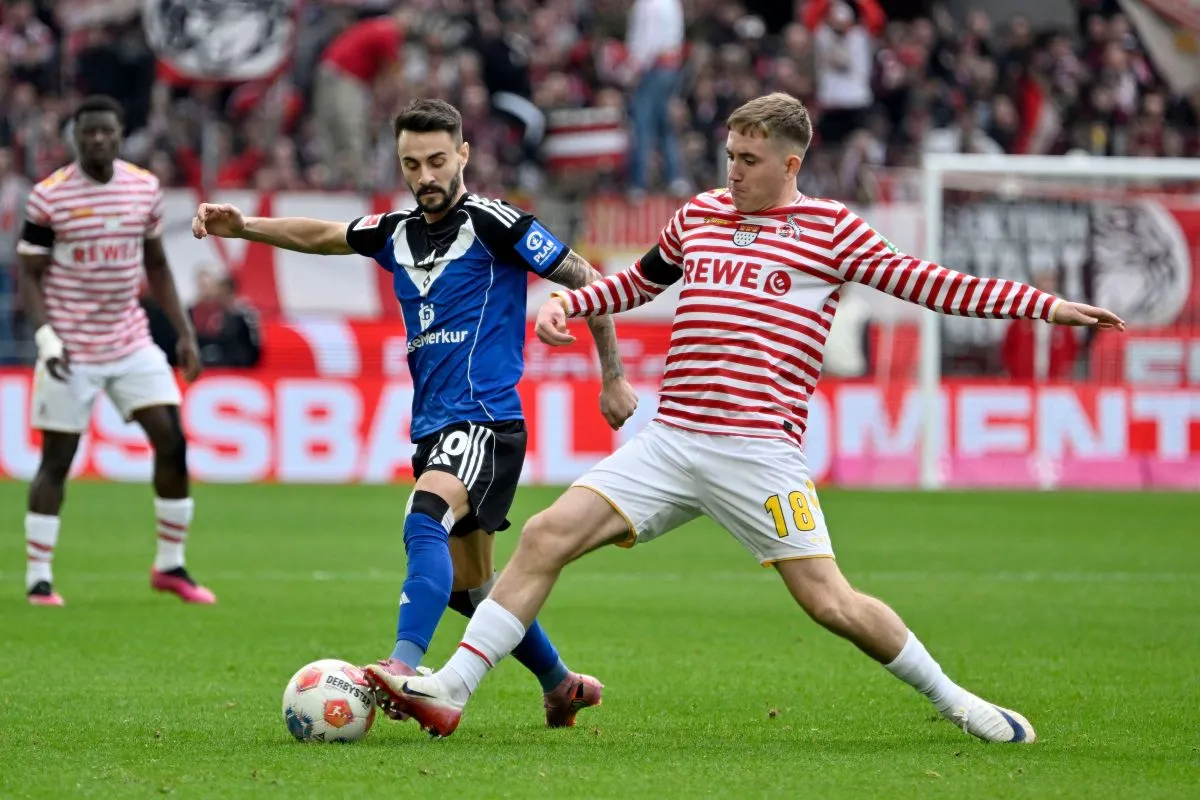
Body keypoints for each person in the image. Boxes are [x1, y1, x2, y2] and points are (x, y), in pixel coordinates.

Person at [372, 93, 1127, 742]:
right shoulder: (698, 216)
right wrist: (573, 300)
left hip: (758, 453)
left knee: (830, 603)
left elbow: (931, 285)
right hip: (671, 440)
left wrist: (1047, 307)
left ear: (791, 164)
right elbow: (637, 282)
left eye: (749, 160)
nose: (732, 171)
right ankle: (452, 691)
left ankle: (958, 702)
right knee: (543, 535)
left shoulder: (834, 231)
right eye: (729, 155)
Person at [192, 98, 638, 728]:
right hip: (434, 427)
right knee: (471, 589)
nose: (425, 176)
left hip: (485, 420)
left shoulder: (495, 223)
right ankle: (560, 683)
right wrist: (244, 228)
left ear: (463, 154)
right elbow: (324, 237)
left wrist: (611, 377)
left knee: (424, 515)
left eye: (436, 160)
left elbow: (587, 274)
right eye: (411, 164)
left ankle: (403, 667)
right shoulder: (395, 232)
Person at [17, 95, 213, 607]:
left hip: (129, 339)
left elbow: (157, 263)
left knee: (171, 441)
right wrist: (45, 336)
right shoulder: (49, 197)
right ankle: (39, 576)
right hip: (69, 346)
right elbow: (30, 275)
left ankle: (170, 565)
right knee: (57, 459)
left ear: (120, 133)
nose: (98, 140)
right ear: (75, 137)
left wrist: (184, 331)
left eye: (106, 131)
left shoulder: (144, 188)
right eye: (88, 133)